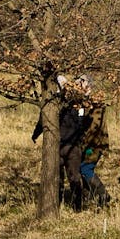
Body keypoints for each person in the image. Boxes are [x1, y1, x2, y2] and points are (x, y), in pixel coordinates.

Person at [32, 75, 88, 211]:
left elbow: (42, 121)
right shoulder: (75, 102)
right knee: (74, 176)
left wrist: (35, 135)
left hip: (58, 145)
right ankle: (77, 206)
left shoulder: (51, 103)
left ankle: (57, 204)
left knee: (57, 177)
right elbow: (82, 124)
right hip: (72, 145)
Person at [76, 75, 111, 208]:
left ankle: (102, 193)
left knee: (86, 168)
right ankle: (88, 196)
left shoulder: (95, 105)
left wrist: (85, 144)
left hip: (93, 144)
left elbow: (93, 127)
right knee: (83, 168)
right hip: (90, 143)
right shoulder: (86, 103)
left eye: (81, 83)